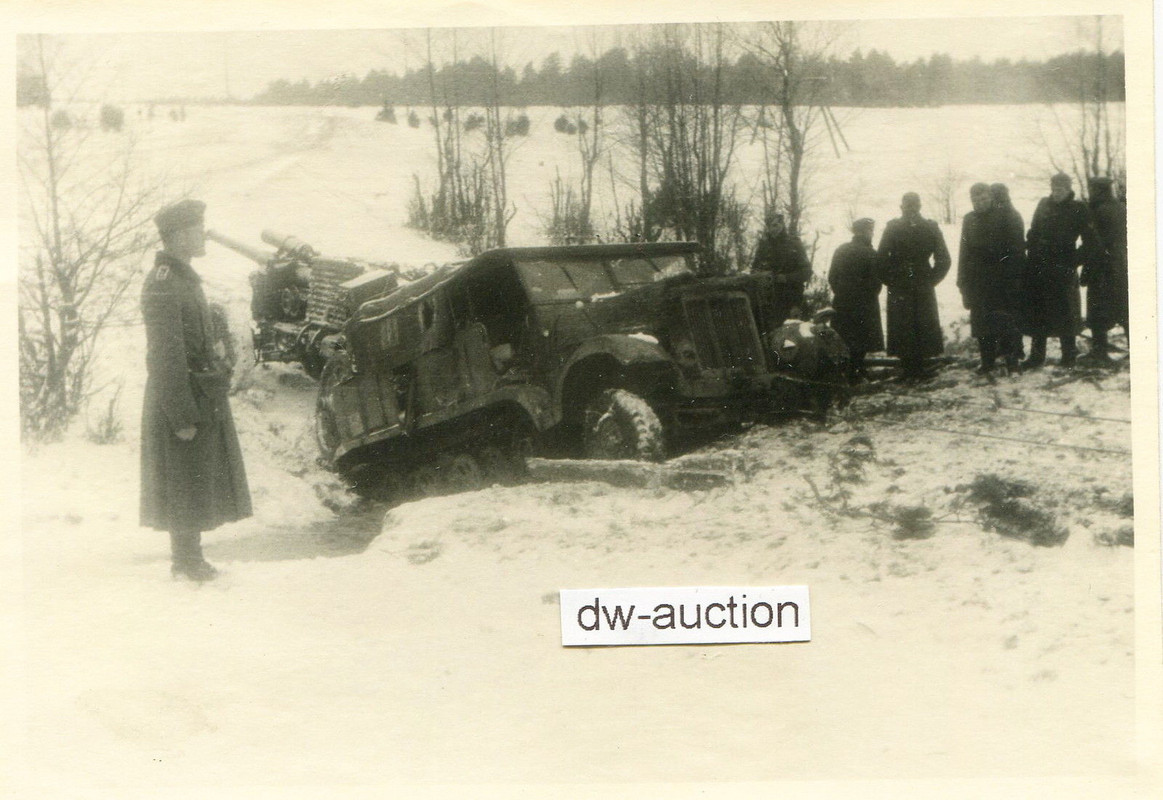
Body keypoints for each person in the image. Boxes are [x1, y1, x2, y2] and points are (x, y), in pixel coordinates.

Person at [140, 199, 251, 581]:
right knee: (183, 477)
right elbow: (165, 356)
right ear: (179, 235)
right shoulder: (165, 284)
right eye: (198, 228)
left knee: (192, 476)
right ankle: (185, 563)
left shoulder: (182, 279)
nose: (203, 235)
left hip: (197, 392)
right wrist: (181, 415)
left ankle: (191, 560)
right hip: (180, 395)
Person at [1021, 173, 1096, 369]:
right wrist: (1030, 247)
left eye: (1060, 189)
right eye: (1054, 189)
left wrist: (1073, 261)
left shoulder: (1079, 208)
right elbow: (1034, 230)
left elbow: (1090, 242)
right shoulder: (1043, 204)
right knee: (1038, 312)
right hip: (1038, 265)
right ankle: (1037, 356)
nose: (1056, 193)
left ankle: (1068, 357)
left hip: (1063, 268)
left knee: (1066, 313)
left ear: (1069, 189)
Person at [876, 192, 952, 380]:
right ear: (902, 207)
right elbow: (880, 261)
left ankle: (916, 368)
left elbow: (944, 259)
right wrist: (892, 280)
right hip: (906, 284)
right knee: (906, 326)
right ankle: (909, 368)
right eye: (908, 206)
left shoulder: (929, 227)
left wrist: (931, 280)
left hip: (917, 284)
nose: (911, 209)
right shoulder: (893, 228)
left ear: (919, 207)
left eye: (913, 205)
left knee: (919, 324)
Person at [957, 183, 1022, 375]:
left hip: (1002, 280)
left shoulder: (1005, 216)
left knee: (1006, 322)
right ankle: (987, 362)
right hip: (978, 280)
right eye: (976, 200)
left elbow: (1016, 250)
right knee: (981, 323)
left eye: (984, 199)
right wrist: (962, 281)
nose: (980, 203)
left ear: (991, 198)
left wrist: (1014, 278)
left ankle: (1012, 362)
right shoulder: (969, 219)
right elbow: (964, 251)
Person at [827, 217, 883, 382]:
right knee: (862, 341)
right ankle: (857, 371)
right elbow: (876, 282)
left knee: (845, 338)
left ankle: (848, 372)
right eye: (870, 231)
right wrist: (869, 296)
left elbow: (832, 277)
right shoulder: (871, 253)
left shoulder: (841, 250)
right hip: (865, 305)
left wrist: (841, 293)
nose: (872, 234)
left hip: (842, 302)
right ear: (866, 232)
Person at [1081, 176, 1128, 363]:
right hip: (1120, 264)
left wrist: (1083, 267)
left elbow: (1094, 243)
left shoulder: (1098, 211)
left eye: (1092, 189)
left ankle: (1099, 352)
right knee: (1124, 308)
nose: (1090, 193)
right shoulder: (1120, 207)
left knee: (1098, 310)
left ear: (1098, 191)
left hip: (1100, 267)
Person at [751, 211, 812, 326]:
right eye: (770, 226)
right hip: (769, 301)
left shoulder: (794, 245)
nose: (773, 229)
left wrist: (786, 278)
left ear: (782, 225)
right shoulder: (764, 246)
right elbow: (754, 270)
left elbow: (807, 272)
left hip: (791, 299)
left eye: (776, 225)